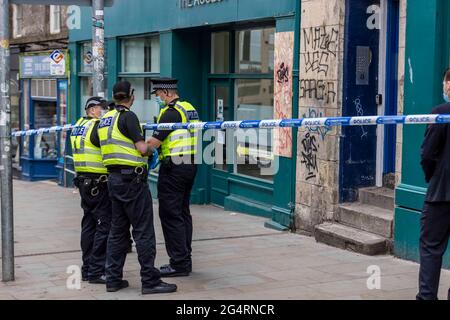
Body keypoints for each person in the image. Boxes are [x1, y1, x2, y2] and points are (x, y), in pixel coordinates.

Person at [98, 81, 177, 294]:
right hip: (132, 182)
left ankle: (113, 279)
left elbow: (100, 144)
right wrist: (151, 151)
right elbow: (142, 148)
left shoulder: (105, 119)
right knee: (143, 232)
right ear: (131, 96)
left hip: (113, 180)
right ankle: (150, 281)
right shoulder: (128, 117)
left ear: (114, 96)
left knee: (117, 232)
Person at [147, 78, 199, 277]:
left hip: (174, 168)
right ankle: (185, 258)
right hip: (190, 164)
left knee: (170, 214)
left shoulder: (171, 112)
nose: (158, 98)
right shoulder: (189, 108)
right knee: (183, 212)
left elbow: (154, 142)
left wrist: (139, 150)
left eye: (159, 94)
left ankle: (178, 263)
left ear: (167, 92)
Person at [417, 68, 450, 300]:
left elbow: (427, 155)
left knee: (431, 249)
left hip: (441, 193)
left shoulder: (440, 114)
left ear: (448, 85)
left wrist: (432, 176)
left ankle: (427, 297)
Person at [70, 97, 111, 284]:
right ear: (93, 109)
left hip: (83, 182)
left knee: (88, 225)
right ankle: (96, 270)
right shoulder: (95, 126)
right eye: (102, 108)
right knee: (103, 226)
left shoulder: (78, 125)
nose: (104, 112)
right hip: (98, 183)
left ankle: (87, 268)